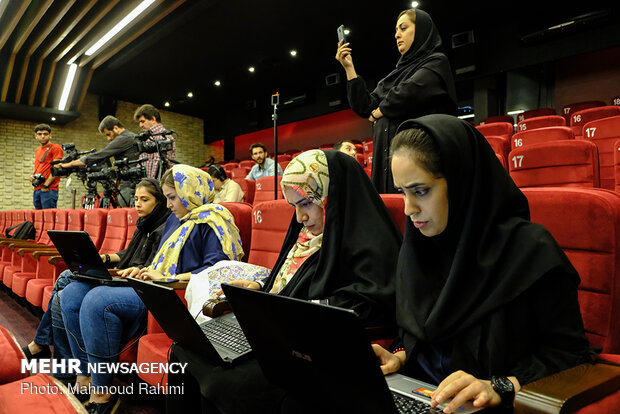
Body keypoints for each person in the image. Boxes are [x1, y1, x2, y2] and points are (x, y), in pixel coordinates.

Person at [372, 114, 590, 413]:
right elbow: (417, 331)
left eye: (421, 191)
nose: (409, 209)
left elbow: (570, 356)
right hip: (421, 397)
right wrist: (400, 356)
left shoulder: (530, 251)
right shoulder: (419, 246)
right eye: (403, 192)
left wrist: (498, 385)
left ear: (462, 182)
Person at [166, 149, 402, 413]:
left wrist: (281, 314)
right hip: (274, 334)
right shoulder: (305, 237)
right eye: (294, 207)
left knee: (222, 383)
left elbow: (363, 305)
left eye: (306, 204)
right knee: (184, 350)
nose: (300, 218)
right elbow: (287, 284)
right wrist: (260, 290)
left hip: (309, 349)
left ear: (332, 196)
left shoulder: (367, 242)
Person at [59, 165, 243, 413]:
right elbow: (159, 260)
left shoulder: (214, 220)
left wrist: (167, 277)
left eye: (172, 197)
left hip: (174, 293)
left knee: (96, 300)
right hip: (152, 282)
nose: (168, 205)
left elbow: (218, 271)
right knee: (71, 294)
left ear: (191, 192)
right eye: (167, 198)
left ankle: (102, 393)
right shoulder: (177, 219)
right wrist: (142, 270)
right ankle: (85, 375)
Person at [21, 178, 171, 387]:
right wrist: (105, 258)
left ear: (160, 202)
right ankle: (59, 359)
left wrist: (114, 269)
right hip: (122, 273)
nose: (137, 204)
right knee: (64, 285)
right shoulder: (143, 225)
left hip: (134, 282)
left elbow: (150, 265)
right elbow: (128, 253)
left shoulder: (164, 227)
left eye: (144, 200)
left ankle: (49, 351)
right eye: (136, 198)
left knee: (64, 287)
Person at [336, 9, 457, 194]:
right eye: (396, 30)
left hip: (418, 164)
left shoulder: (436, 62)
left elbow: (411, 91)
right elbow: (365, 106)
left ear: (422, 30)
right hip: (386, 167)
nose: (397, 35)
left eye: (403, 28)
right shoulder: (394, 75)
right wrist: (349, 68)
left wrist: (379, 111)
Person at [59, 116, 140, 207]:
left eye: (108, 134)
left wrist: (70, 164)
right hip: (130, 183)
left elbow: (100, 155)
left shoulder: (124, 138)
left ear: (116, 128)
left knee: (124, 212)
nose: (109, 139)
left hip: (131, 185)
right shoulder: (131, 136)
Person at [134, 104, 177, 179]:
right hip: (145, 185)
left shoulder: (166, 138)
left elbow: (159, 166)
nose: (140, 125)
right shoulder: (146, 137)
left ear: (153, 119)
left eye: (142, 121)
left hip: (157, 185)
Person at [31, 123, 63, 209]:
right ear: (35, 136)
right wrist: (32, 175)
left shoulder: (55, 147)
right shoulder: (37, 150)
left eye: (45, 134)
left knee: (49, 218)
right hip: (37, 188)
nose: (42, 136)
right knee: (39, 218)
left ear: (50, 135)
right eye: (39, 134)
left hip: (49, 189)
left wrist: (46, 185)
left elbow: (56, 169)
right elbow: (38, 166)